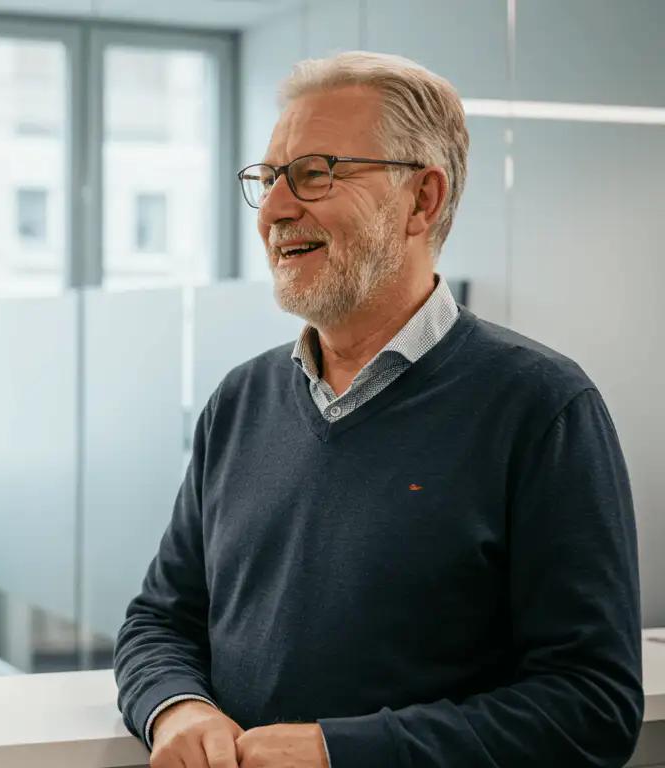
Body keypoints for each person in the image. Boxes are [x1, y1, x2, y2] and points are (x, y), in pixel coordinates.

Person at [113, 51, 642, 768]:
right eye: (268, 179)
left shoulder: (542, 407)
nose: (273, 209)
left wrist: (342, 752)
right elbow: (159, 620)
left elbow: (591, 708)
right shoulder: (240, 401)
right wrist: (176, 707)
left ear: (421, 200)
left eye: (314, 173)